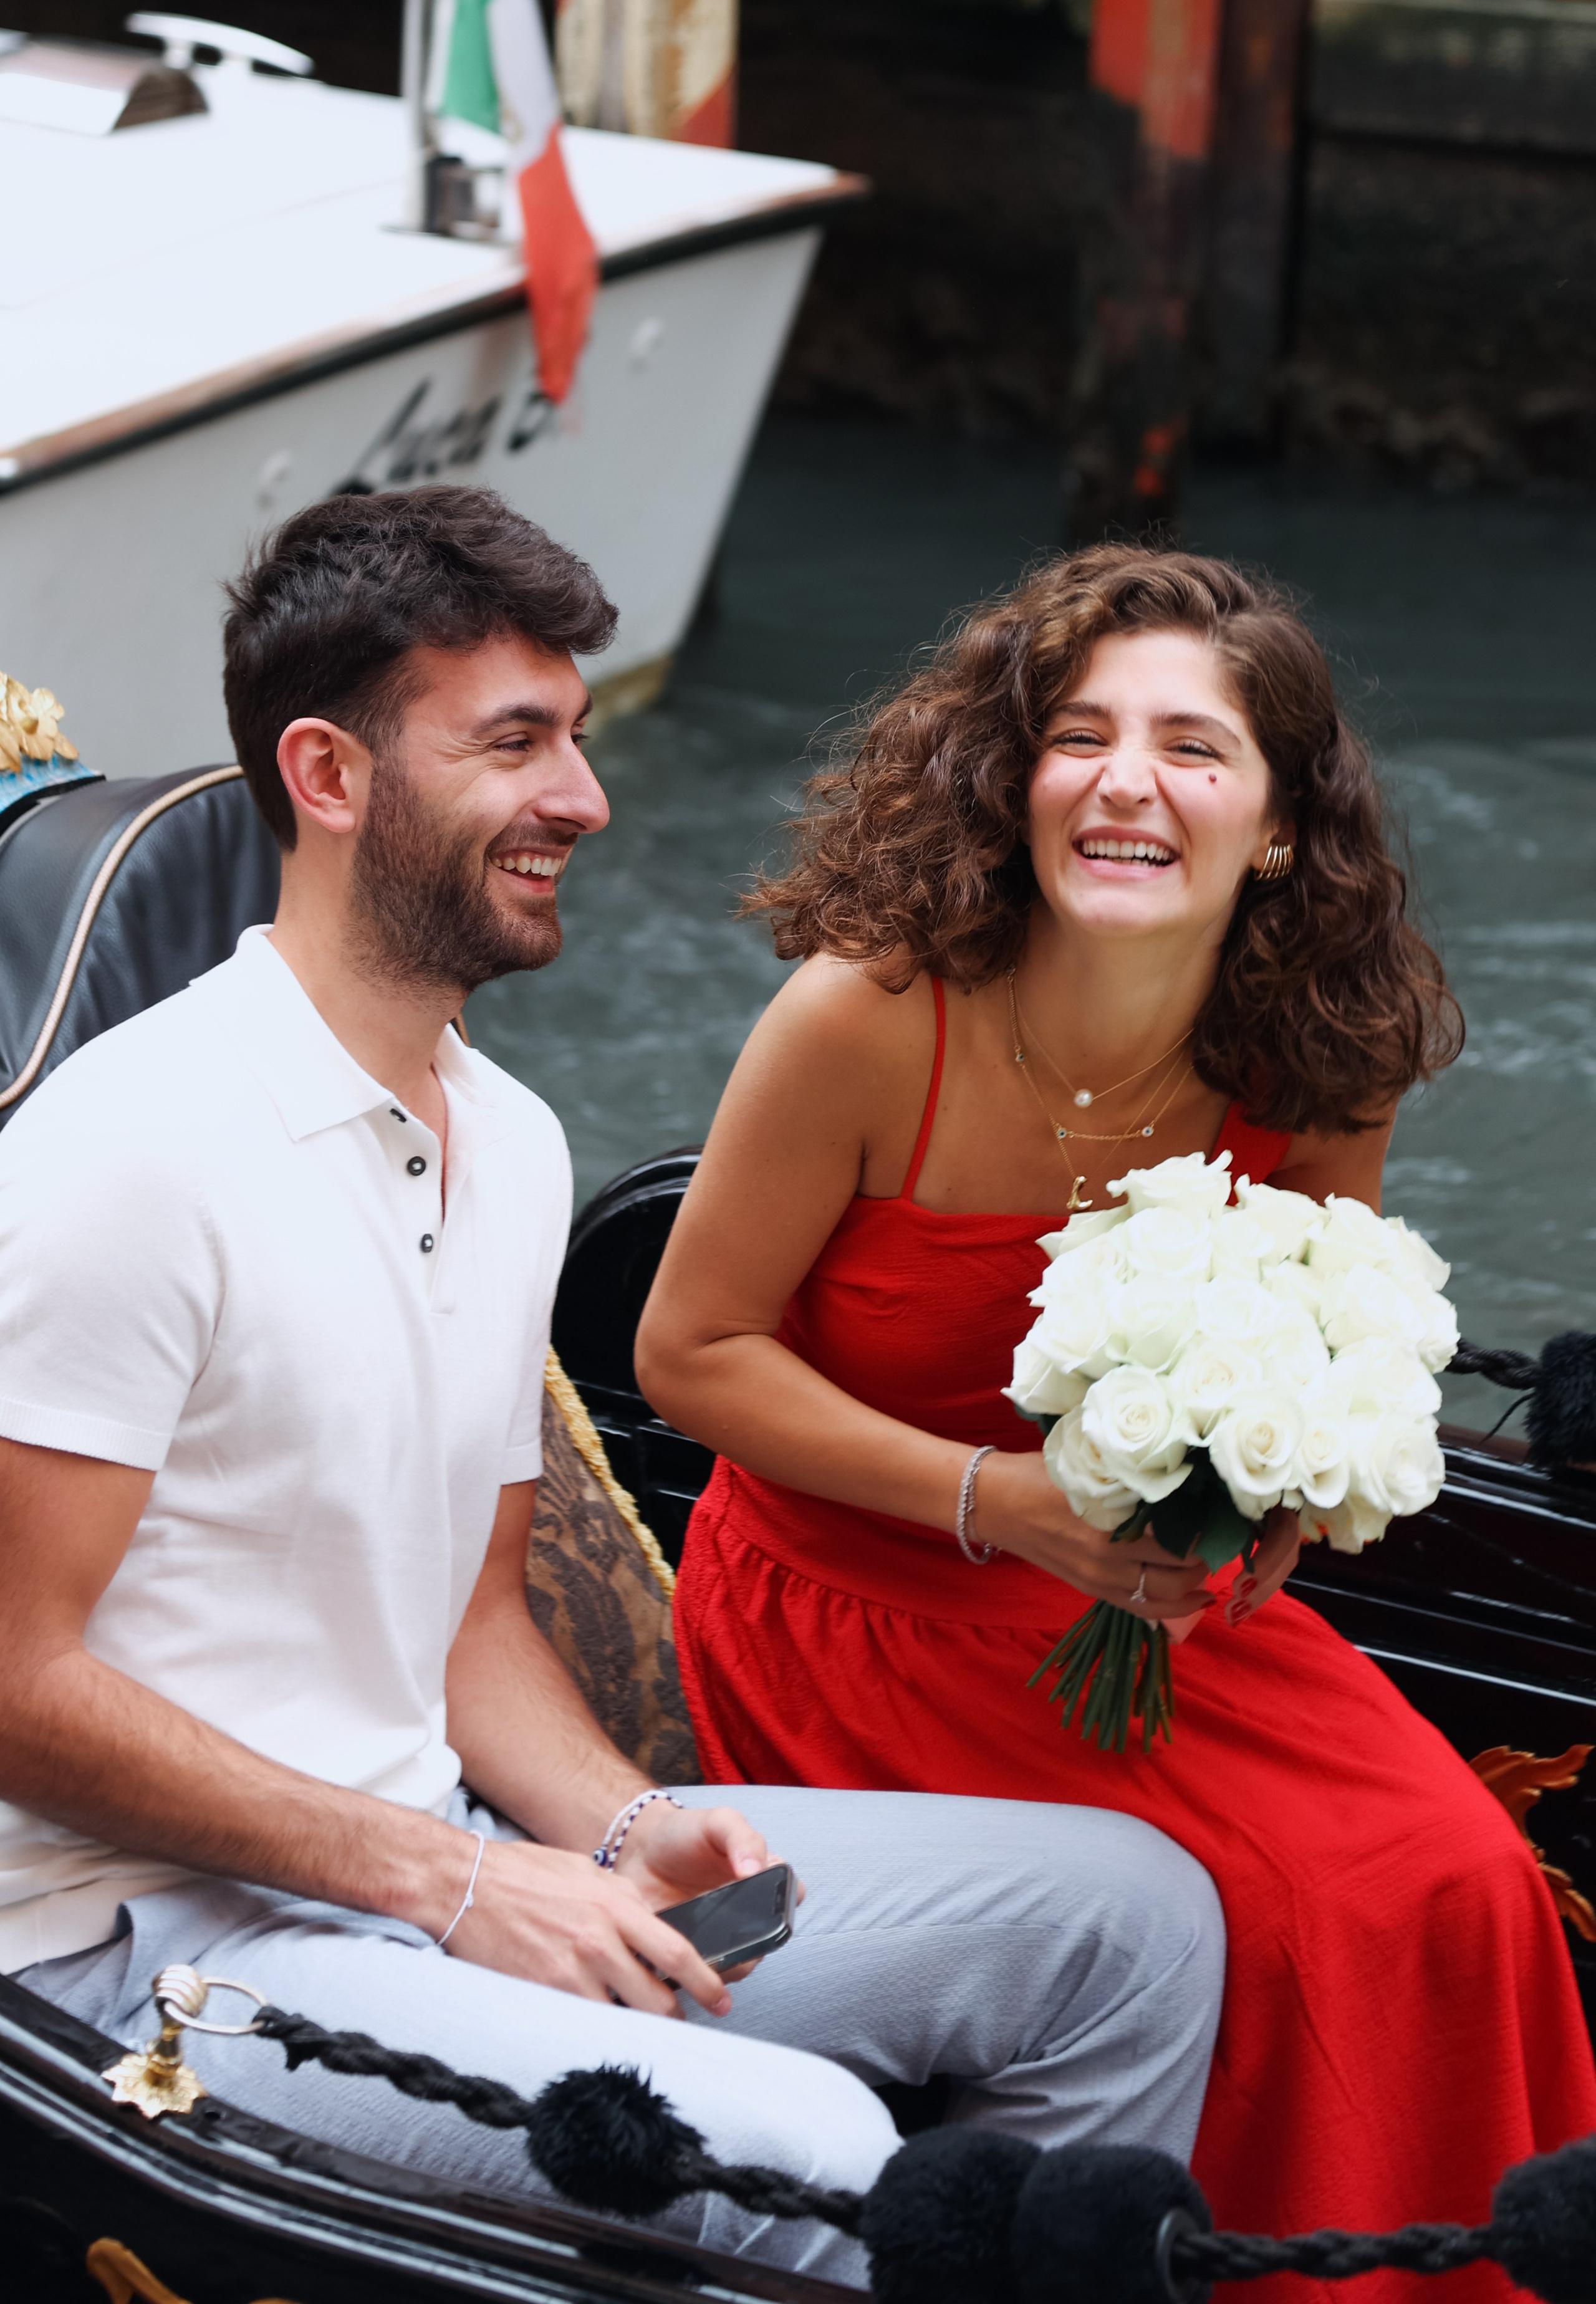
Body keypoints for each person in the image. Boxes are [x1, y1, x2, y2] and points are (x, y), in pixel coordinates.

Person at [0, 491, 1226, 2292]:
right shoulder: (128, 1155)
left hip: (433, 1860)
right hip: (140, 1953)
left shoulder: (508, 1140)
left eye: (575, 737)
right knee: (815, 2150)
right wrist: (450, 1883)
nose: (583, 797)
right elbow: (13, 1680)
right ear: (329, 775)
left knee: (1131, 1928)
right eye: (514, 743)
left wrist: (620, 1825)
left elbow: (469, 1623)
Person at [638, 544, 1596, 2303]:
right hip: (851, 1598)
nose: (1125, 783)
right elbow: (690, 1352)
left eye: (1191, 748)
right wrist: (996, 1499)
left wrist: (1281, 1499)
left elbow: (1319, 1336)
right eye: (1078, 737)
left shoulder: (1324, 1049)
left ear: (1280, 825)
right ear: (1014, 785)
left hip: (1149, 1601)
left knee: (1459, 1873)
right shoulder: (869, 1016)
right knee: (1267, 1910)